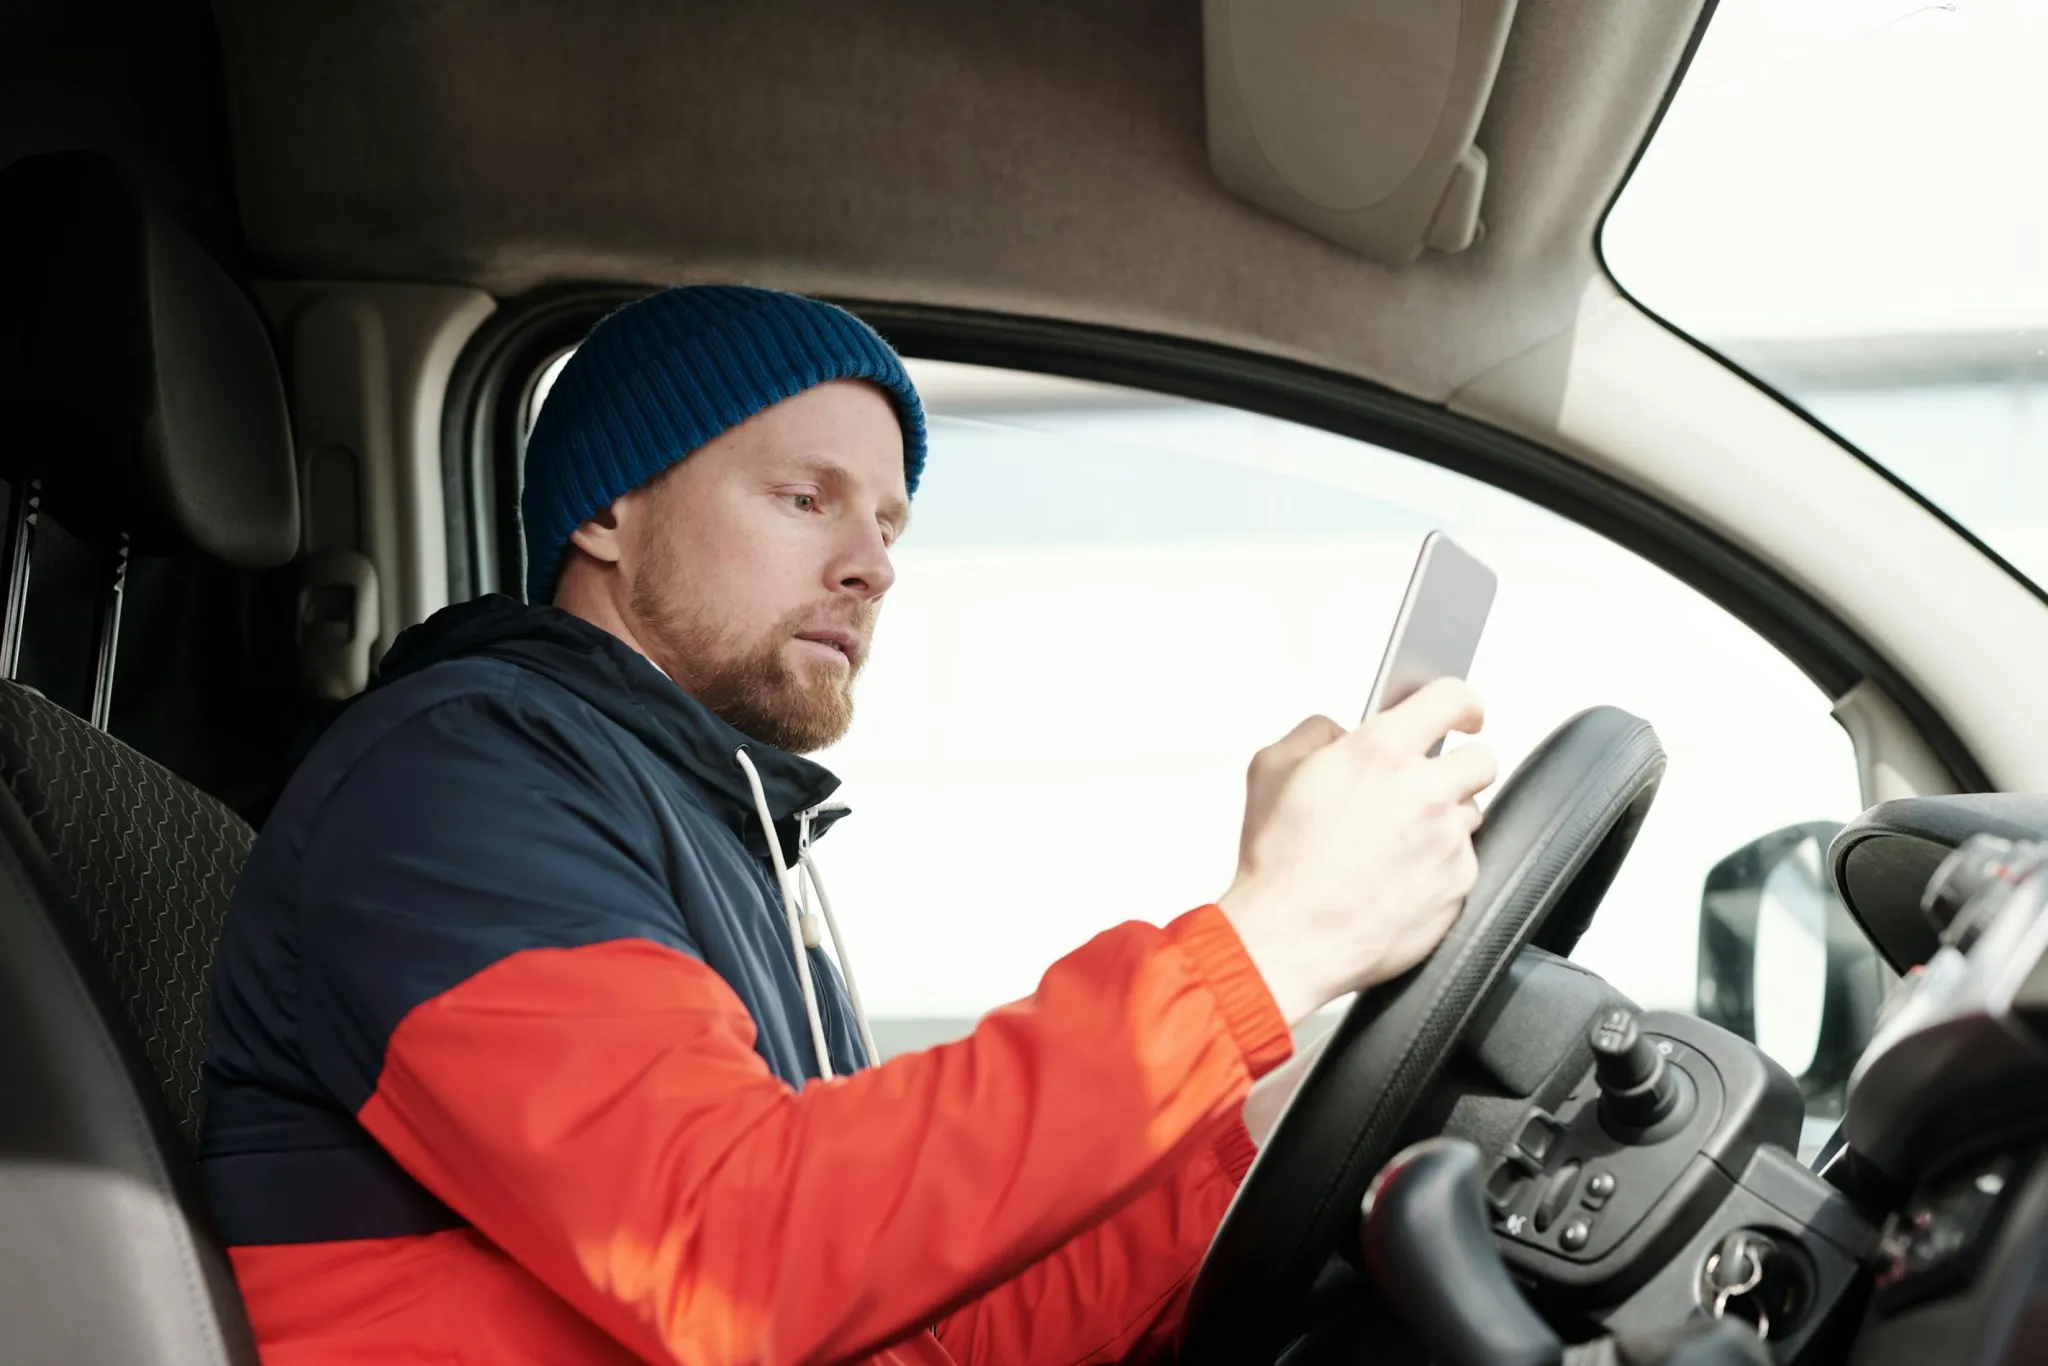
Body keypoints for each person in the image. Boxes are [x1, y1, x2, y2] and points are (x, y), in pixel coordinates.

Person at [199, 285, 1497, 1366]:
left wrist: (1256, 1136)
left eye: (888, 520)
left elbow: (901, 1321)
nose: (873, 562)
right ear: (607, 512)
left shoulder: (721, 835)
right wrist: (1262, 948)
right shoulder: (454, 784)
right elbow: (730, 1253)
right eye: (806, 497)